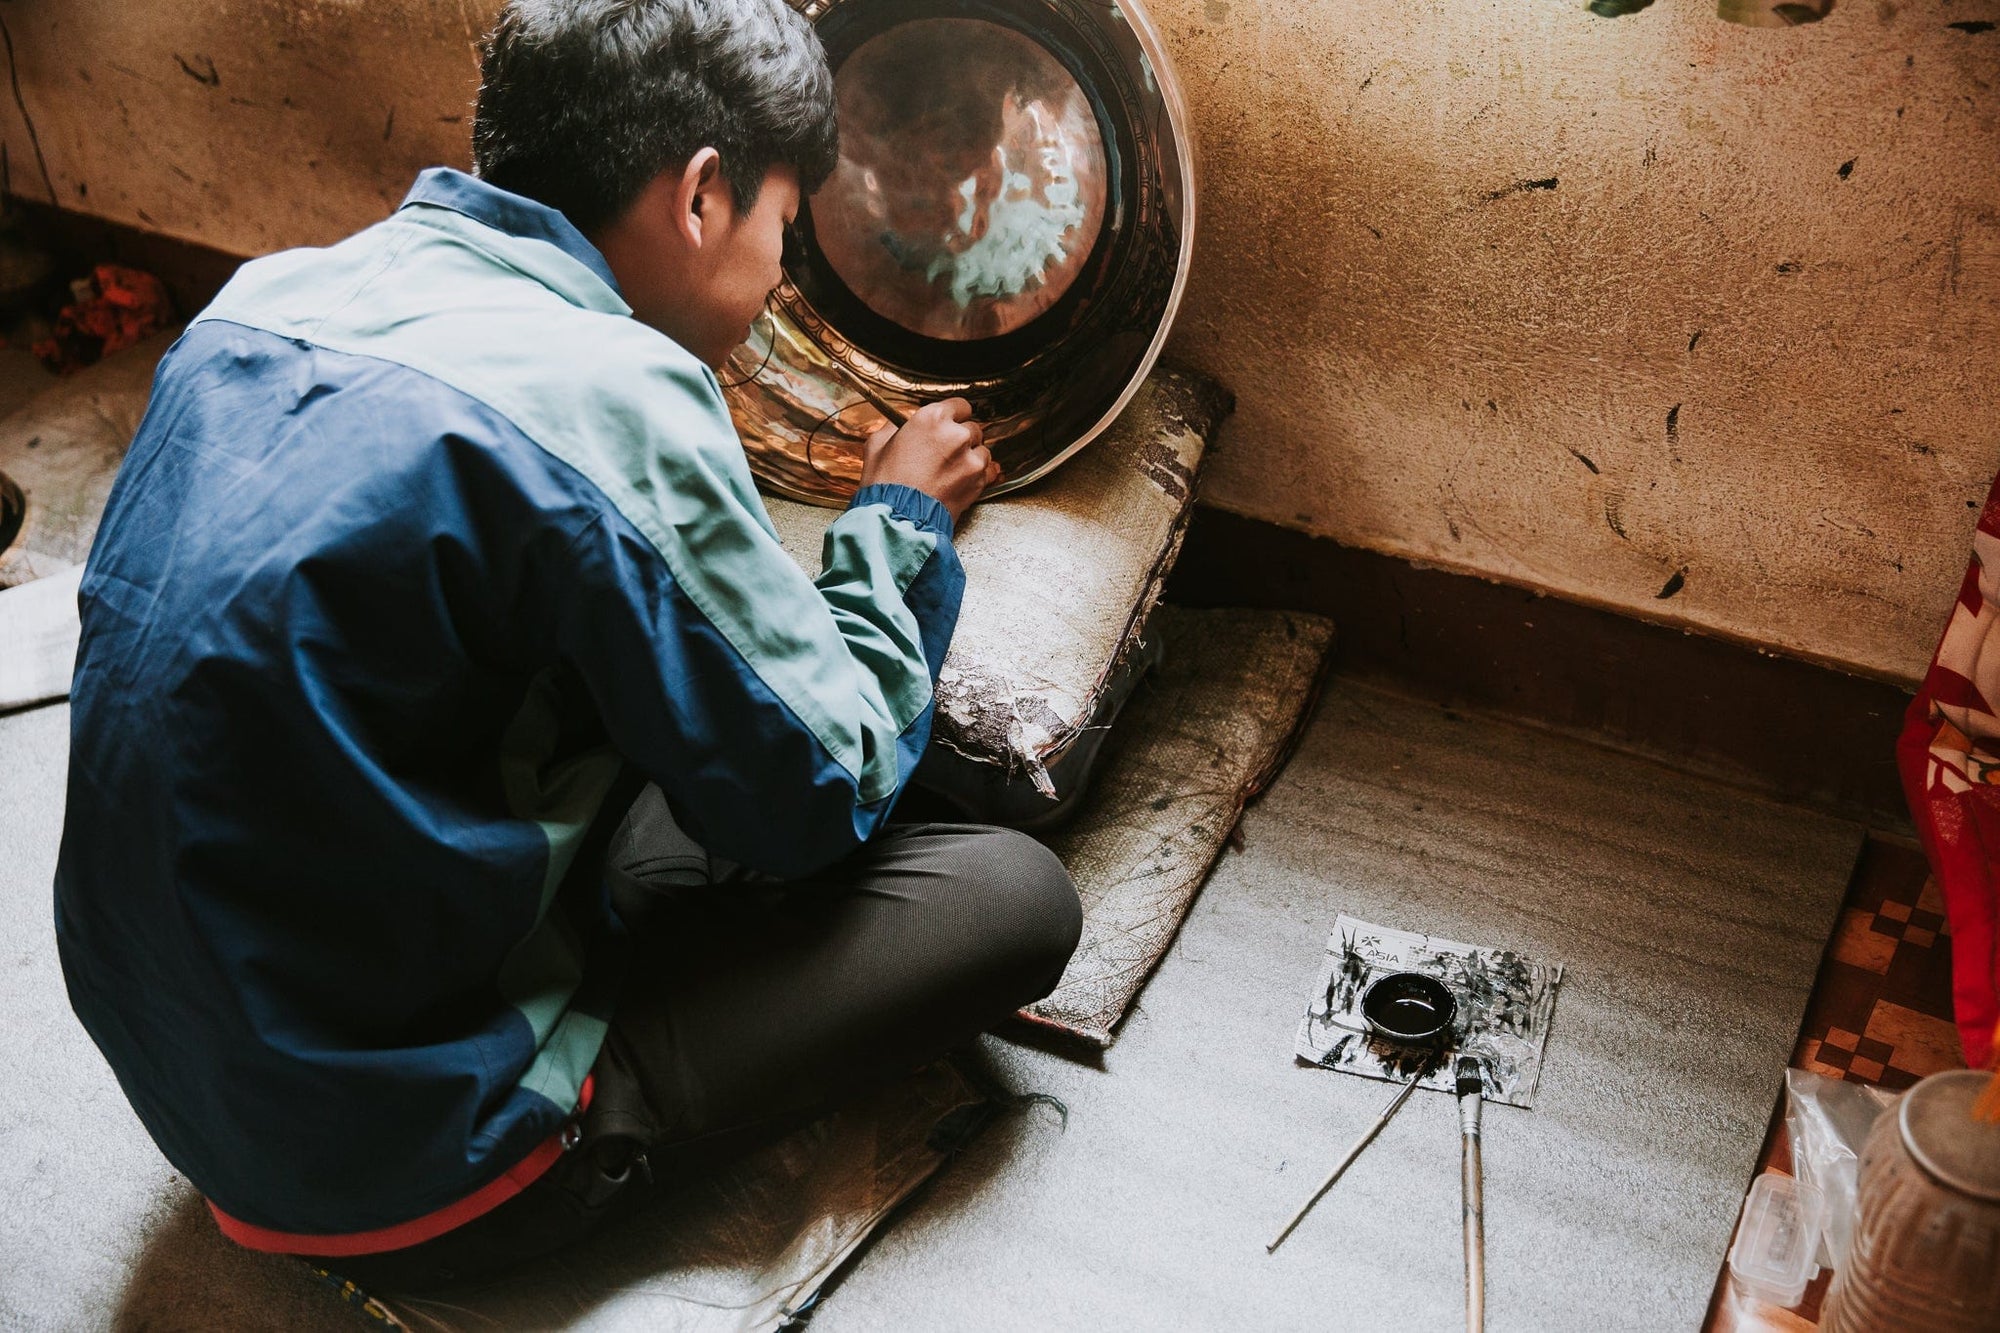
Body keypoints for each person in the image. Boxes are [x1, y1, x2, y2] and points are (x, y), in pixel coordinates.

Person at [52, 0, 1082, 1292]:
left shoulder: (267, 300)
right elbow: (822, 782)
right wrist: (900, 526)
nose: (777, 285)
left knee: (627, 686)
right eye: (782, 230)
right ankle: (573, 1112)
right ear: (703, 196)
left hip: (187, 1075)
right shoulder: (613, 391)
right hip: (417, 1163)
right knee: (1009, 896)